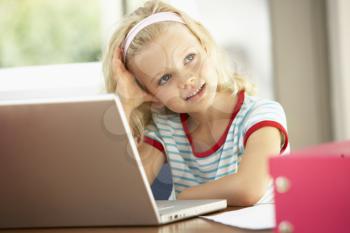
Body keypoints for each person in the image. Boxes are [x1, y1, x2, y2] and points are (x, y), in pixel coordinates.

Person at [102, 0, 289, 206]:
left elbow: (248, 188)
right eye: (165, 78)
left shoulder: (261, 114)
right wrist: (125, 102)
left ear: (205, 46)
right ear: (150, 94)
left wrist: (180, 199)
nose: (186, 81)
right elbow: (123, 193)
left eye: (190, 58)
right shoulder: (165, 128)